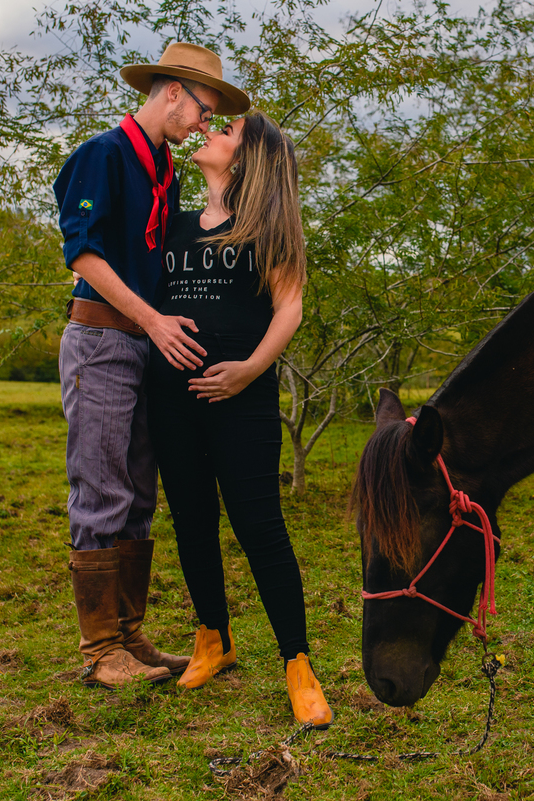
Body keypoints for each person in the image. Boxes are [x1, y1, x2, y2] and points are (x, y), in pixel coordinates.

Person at [53, 43, 251, 689]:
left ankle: (130, 634)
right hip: (104, 340)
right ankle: (98, 647)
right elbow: (82, 255)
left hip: (145, 348)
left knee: (138, 492)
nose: (202, 124)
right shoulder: (103, 154)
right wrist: (152, 319)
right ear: (171, 92)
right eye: (202, 109)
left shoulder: (163, 167)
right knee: (101, 488)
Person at [146, 112, 331, 727]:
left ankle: (297, 662)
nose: (212, 131)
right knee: (192, 522)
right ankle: (213, 638)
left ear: (249, 158)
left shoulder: (268, 228)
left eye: (230, 132)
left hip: (242, 402)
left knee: (261, 530)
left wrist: (250, 369)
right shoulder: (171, 225)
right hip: (171, 399)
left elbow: (290, 307)